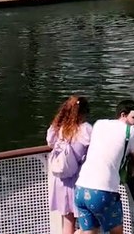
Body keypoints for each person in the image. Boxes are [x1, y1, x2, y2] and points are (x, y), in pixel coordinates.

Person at [74, 100, 134, 234]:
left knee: (89, 232)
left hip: (81, 189)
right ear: (123, 114)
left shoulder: (99, 124)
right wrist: (131, 161)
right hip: (102, 192)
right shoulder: (130, 131)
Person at [47, 96, 93, 234]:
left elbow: (49, 143)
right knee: (88, 225)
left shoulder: (57, 129)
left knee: (67, 221)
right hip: (79, 179)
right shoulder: (86, 129)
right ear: (84, 112)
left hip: (61, 180)